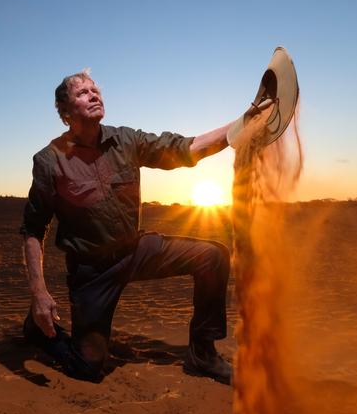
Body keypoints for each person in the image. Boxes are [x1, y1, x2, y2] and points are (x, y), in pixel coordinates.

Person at [19, 70, 272, 384]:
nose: (94, 94)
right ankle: (40, 331)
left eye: (95, 89)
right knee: (87, 368)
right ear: (65, 112)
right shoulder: (49, 161)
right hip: (92, 272)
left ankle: (203, 353)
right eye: (83, 93)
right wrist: (39, 293)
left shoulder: (126, 140)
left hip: (135, 249)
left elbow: (185, 148)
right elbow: (33, 229)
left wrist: (242, 124)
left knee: (212, 255)